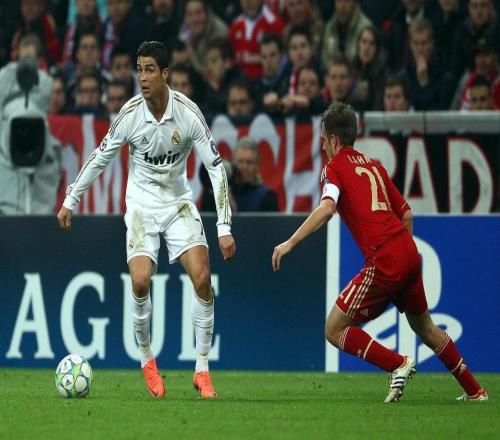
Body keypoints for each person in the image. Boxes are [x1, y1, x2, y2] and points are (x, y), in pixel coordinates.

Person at [272, 102, 488, 402]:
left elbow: (327, 208)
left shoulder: (334, 168)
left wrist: (290, 242)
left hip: (385, 258)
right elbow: (406, 214)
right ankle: (475, 391)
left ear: (334, 139)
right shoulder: (374, 165)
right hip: (408, 252)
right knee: (425, 327)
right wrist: (402, 261)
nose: (322, 147)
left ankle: (398, 364)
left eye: (323, 140)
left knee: (334, 329)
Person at [57, 41, 236, 399]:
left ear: (166, 73)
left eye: (149, 69)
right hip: (141, 206)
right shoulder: (130, 114)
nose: (142, 77)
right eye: (139, 69)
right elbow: (100, 156)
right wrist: (71, 199)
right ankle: (146, 360)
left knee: (203, 279)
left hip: (178, 203)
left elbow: (216, 167)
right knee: (140, 281)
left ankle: (202, 370)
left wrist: (223, 226)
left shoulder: (188, 113)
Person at [232, 136, 279, 211]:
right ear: (233, 163)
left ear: (257, 166)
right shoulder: (223, 195)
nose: (244, 167)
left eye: (249, 162)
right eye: (240, 161)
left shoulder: (267, 198)